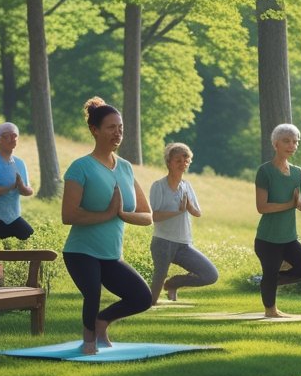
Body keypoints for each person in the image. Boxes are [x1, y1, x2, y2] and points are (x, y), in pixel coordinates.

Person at [61, 98, 152, 353]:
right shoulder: (81, 167)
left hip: (111, 255)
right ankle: (88, 341)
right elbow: (68, 215)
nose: (118, 133)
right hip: (81, 251)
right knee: (93, 293)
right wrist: (108, 213)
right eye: (111, 127)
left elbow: (147, 215)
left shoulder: (125, 168)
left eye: (120, 127)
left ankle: (103, 321)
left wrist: (122, 214)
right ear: (95, 130)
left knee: (142, 297)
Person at [254, 123, 301, 317]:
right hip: (267, 238)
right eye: (286, 141)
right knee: (270, 274)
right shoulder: (265, 172)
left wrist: (299, 205)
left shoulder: (298, 172)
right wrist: (290, 204)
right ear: (275, 144)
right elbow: (262, 207)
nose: (292, 145)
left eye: (295, 142)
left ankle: (268, 281)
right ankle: (270, 311)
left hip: (288, 238)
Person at [148, 143, 219, 303]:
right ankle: (148, 305)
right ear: (169, 162)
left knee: (210, 275)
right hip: (163, 242)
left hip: (183, 244)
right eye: (178, 160)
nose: (182, 164)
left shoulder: (187, 186)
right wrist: (177, 212)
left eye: (186, 160)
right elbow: (154, 216)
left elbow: (197, 213)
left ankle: (173, 284)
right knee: (157, 284)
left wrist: (188, 206)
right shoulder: (159, 186)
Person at [0, 122, 34, 240]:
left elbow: (28, 191)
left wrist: (21, 186)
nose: (12, 139)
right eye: (6, 136)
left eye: (14, 135)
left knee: (30, 237)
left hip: (13, 217)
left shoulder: (20, 163)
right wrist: (9, 188)